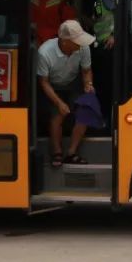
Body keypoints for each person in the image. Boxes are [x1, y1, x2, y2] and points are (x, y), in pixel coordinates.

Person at [37, 19, 95, 167]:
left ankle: (72, 152)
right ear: (64, 42)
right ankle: (57, 152)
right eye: (77, 40)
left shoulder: (83, 48)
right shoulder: (44, 53)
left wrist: (88, 85)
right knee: (58, 114)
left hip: (73, 83)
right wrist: (59, 102)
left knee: (86, 110)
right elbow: (43, 82)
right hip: (53, 86)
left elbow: (86, 71)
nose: (81, 43)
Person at [81, 0, 115, 124]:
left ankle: (108, 118)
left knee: (107, 83)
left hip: (109, 45)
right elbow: (84, 16)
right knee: (96, 82)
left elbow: (122, 15)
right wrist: (90, 23)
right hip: (94, 44)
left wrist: (114, 35)